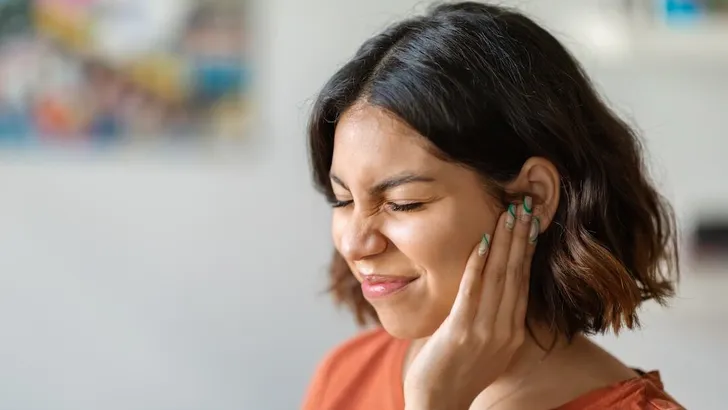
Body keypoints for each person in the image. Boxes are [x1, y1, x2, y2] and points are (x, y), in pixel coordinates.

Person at [302, 2, 684, 409]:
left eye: (403, 203)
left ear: (531, 199)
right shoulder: (346, 372)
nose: (356, 245)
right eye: (343, 200)